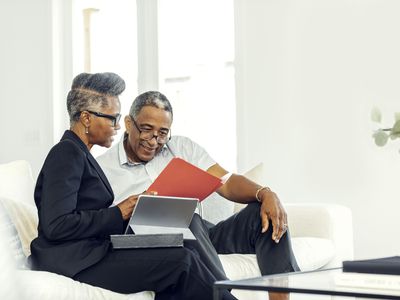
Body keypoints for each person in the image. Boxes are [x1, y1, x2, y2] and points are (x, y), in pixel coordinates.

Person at [29, 73, 236, 300]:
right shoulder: (66, 152)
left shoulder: (80, 154)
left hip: (92, 252)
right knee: (181, 262)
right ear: (87, 119)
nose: (118, 126)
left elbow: (82, 216)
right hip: (76, 260)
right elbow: (56, 225)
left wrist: (135, 211)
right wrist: (119, 212)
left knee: (180, 251)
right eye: (112, 118)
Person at [97, 91, 300, 300]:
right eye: (147, 130)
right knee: (183, 218)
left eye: (163, 133)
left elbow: (227, 182)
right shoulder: (103, 168)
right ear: (129, 123)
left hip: (199, 234)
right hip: (153, 246)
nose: (154, 140)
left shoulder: (182, 147)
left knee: (262, 212)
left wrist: (266, 193)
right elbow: (101, 225)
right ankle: (222, 295)